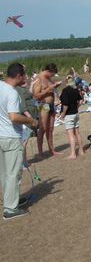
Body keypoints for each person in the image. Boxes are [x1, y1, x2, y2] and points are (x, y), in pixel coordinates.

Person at [0, 63, 37, 220]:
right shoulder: (12, 93)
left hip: (1, 135)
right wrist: (30, 121)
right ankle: (10, 208)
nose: (25, 77)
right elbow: (14, 116)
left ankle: (10, 200)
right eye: (24, 75)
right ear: (19, 76)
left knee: (4, 173)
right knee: (14, 173)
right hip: (11, 136)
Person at [32, 63, 62, 157]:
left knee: (51, 128)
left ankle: (51, 150)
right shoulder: (39, 78)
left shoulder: (48, 78)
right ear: (48, 71)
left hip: (51, 104)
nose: (53, 76)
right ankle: (40, 152)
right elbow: (36, 95)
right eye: (52, 74)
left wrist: (54, 86)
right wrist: (49, 88)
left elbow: (49, 90)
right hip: (43, 105)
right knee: (42, 128)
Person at [58, 76, 84, 159]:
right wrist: (77, 107)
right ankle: (81, 150)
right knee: (77, 132)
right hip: (75, 113)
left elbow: (65, 104)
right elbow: (81, 101)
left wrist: (62, 114)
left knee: (70, 134)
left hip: (69, 115)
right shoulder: (75, 89)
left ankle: (73, 154)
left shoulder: (65, 90)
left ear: (66, 82)